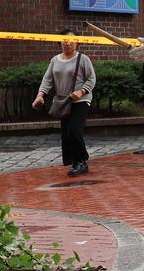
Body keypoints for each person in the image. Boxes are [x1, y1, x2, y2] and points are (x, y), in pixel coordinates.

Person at [32, 30, 97, 176]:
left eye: (71, 41)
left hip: (81, 100)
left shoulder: (83, 59)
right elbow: (47, 79)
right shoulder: (55, 60)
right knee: (67, 134)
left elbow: (91, 79)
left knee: (74, 130)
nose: (68, 43)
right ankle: (76, 162)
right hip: (63, 101)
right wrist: (40, 95)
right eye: (64, 40)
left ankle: (81, 161)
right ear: (59, 42)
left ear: (77, 42)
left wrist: (81, 92)